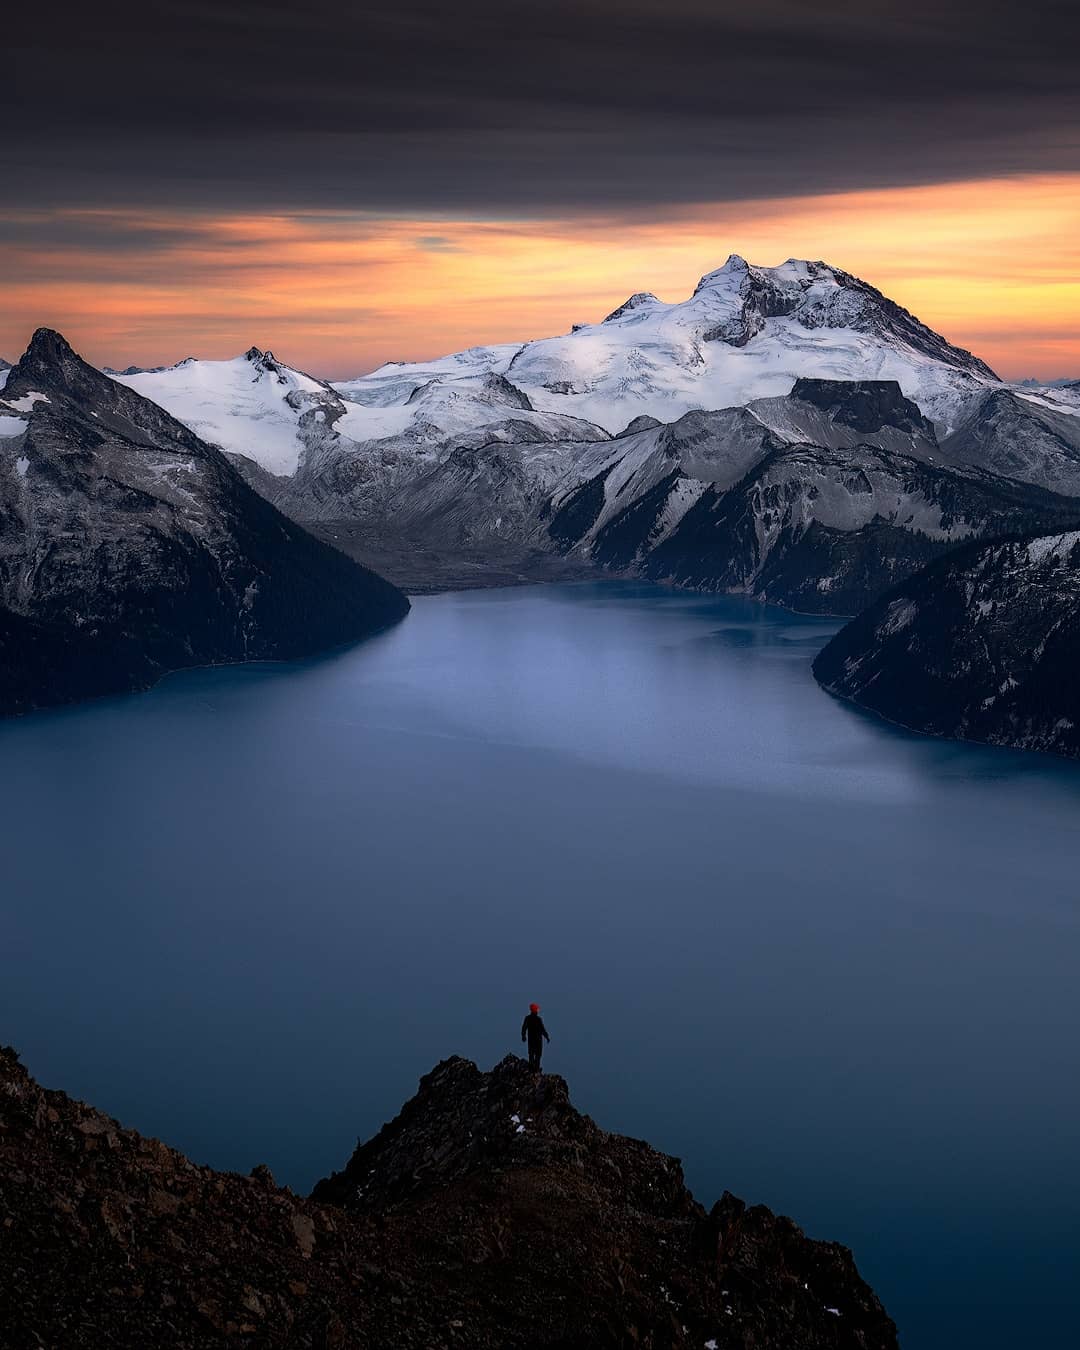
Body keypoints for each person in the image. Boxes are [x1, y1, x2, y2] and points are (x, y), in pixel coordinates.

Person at [521, 1002, 551, 1072]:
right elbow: (542, 1029)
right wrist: (546, 1036)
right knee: (538, 1055)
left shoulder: (527, 1018)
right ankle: (536, 1070)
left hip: (531, 1040)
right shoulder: (538, 1019)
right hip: (538, 1040)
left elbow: (524, 1028)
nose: (538, 1011)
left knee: (531, 1054)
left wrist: (523, 1036)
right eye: (537, 1009)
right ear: (535, 1010)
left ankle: (531, 1069)